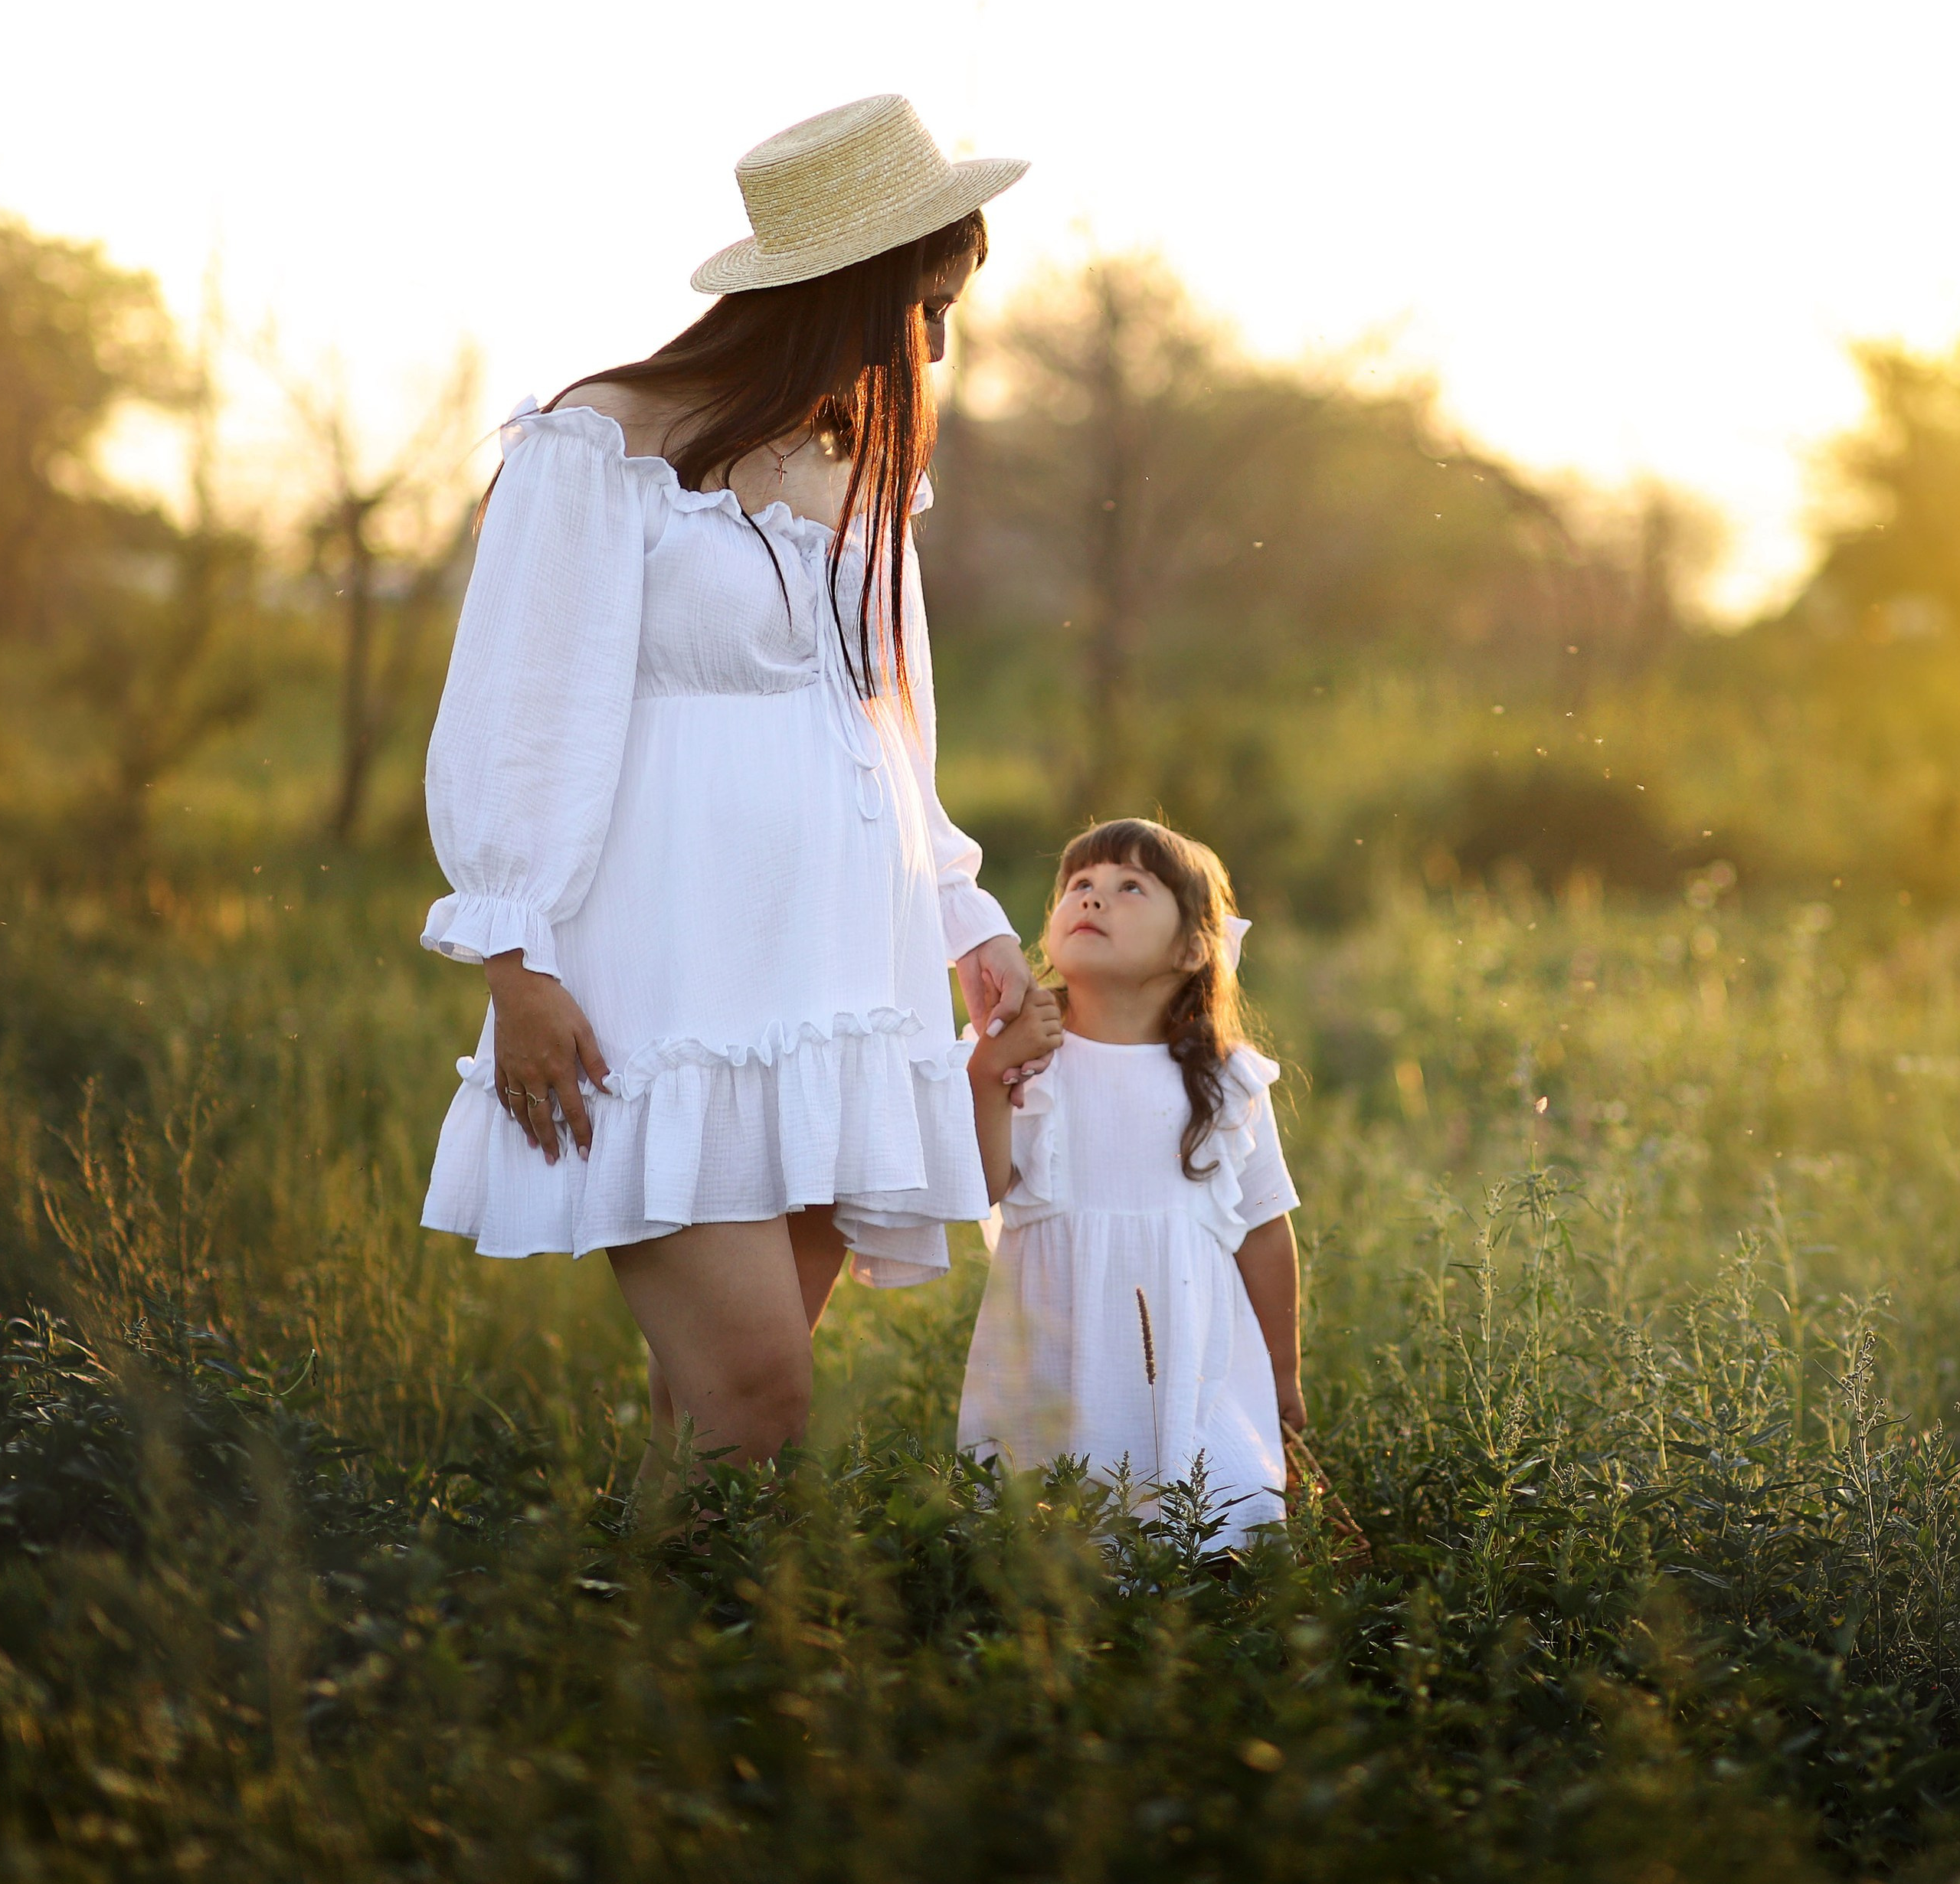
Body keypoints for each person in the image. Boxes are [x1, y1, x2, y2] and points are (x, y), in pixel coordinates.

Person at [416, 96, 1046, 1494]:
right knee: (759, 1394)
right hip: (673, 980)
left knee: (710, 1422)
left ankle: (659, 1672)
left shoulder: (860, 467)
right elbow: (518, 712)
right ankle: (702, 1666)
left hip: (835, 981)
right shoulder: (599, 445)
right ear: (846, 293)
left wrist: (963, 912)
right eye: (923, 310)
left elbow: (890, 724)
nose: (935, 347)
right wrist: (511, 957)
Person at [955, 819, 1305, 1549]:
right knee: (1049, 1529)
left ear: (1192, 948)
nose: (1093, 897)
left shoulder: (1225, 1077)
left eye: (1129, 887)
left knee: (1199, 1525)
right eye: (1079, 884)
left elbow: (1267, 1230)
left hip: (1189, 1353)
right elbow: (981, 1185)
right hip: (1051, 1346)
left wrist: (1283, 1374)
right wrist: (988, 1077)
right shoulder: (1024, 1056)